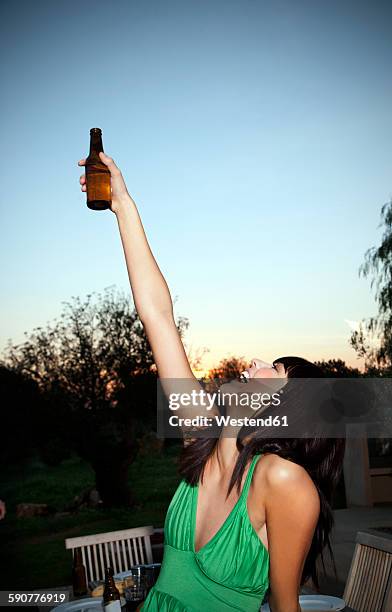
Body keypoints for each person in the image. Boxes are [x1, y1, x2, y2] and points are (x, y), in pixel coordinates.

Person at [78, 153, 345, 612]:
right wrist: (124, 207)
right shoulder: (200, 435)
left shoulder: (282, 481)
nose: (257, 360)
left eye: (274, 370)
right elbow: (158, 315)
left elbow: (286, 607)